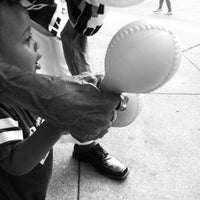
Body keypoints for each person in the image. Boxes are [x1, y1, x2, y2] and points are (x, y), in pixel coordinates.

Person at [0, 1, 124, 199]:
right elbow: (16, 162)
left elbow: (37, 129)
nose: (37, 44)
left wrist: (81, 103)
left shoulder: (26, 94)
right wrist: (58, 121)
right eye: (28, 38)